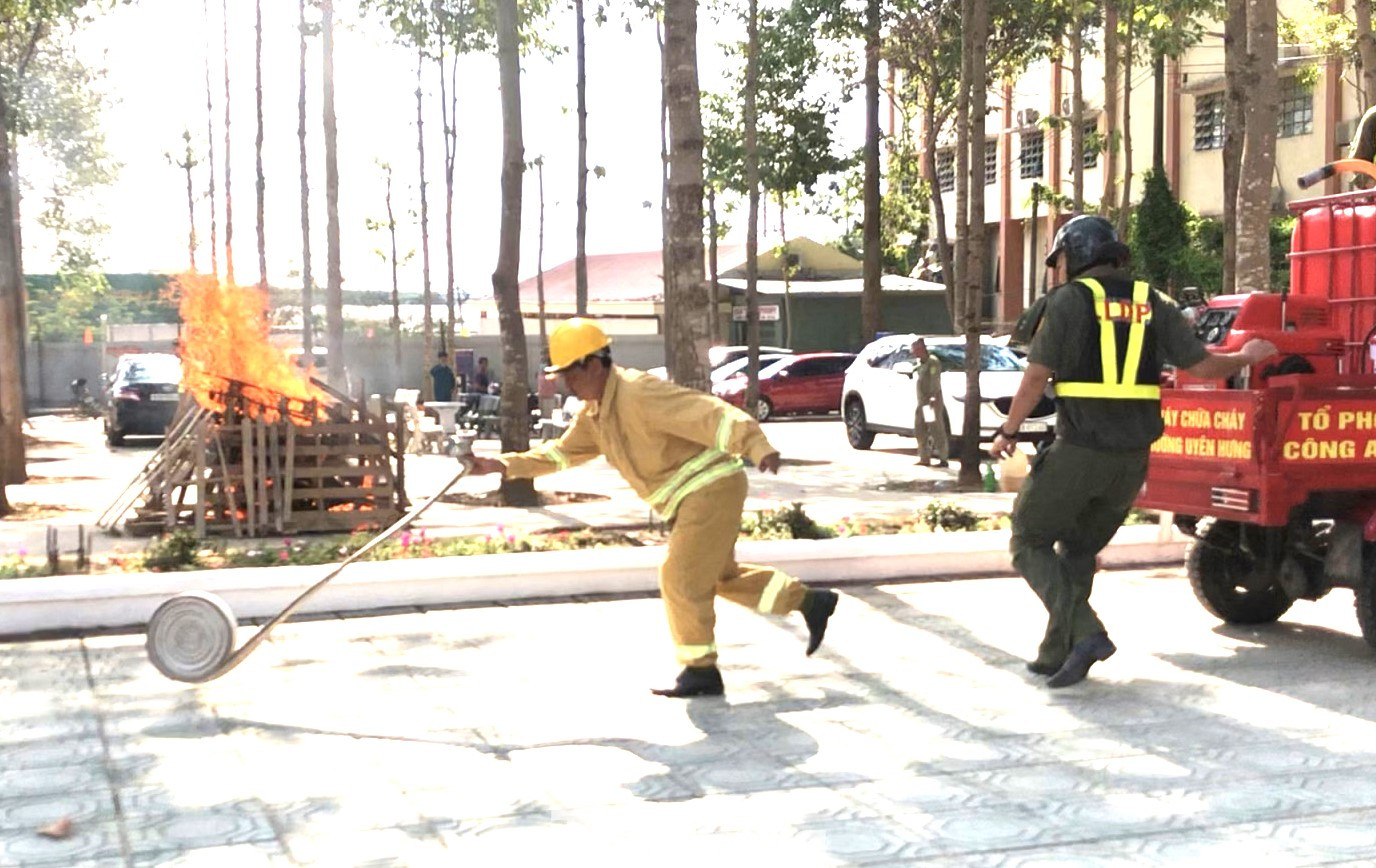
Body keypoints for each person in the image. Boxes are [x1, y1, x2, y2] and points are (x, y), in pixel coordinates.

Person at [466, 317, 840, 698]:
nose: (566, 383)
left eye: (569, 374)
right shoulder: (594, 414)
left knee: (679, 577)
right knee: (717, 578)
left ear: (593, 365)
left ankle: (701, 671)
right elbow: (559, 454)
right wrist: (500, 465)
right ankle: (809, 602)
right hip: (694, 497)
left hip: (710, 488)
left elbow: (708, 413)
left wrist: (756, 445)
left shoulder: (638, 392)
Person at [991, 215, 1277, 689]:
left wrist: (1008, 429)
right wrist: (1247, 355)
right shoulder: (1153, 301)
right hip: (1132, 461)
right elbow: (1203, 366)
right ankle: (1055, 653)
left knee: (1028, 540)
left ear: (1075, 255)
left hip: (1080, 451)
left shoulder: (1067, 301)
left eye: (1059, 260)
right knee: (1079, 550)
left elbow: (1036, 376)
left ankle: (1087, 634)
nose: (1057, 270)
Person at [910, 338, 948, 467]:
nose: (913, 352)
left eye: (915, 349)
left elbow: (934, 381)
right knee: (920, 429)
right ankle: (924, 457)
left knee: (936, 429)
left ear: (921, 348)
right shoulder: (920, 363)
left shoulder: (933, 363)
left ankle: (943, 458)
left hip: (931, 402)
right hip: (922, 402)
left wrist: (932, 399)